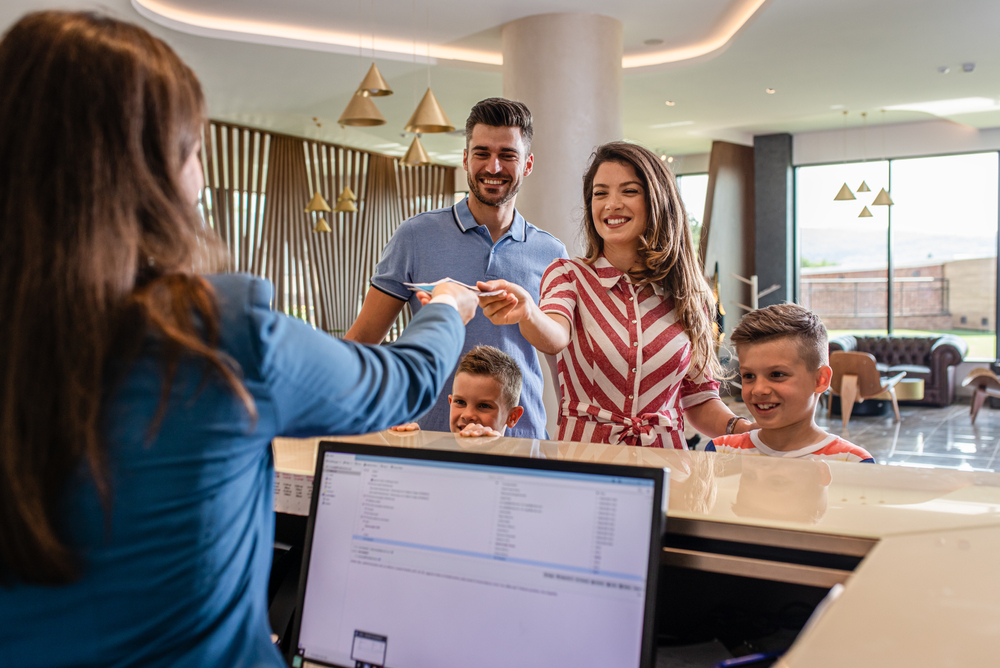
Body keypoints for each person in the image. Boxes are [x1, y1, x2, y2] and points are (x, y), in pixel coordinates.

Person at [0, 11, 477, 668]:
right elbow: (402, 381)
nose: (199, 178)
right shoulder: (216, 335)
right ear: (153, 170)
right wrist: (447, 306)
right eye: (195, 150)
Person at [478, 142, 753, 448]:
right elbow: (554, 336)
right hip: (585, 467)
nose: (612, 203)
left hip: (668, 470)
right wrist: (528, 312)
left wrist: (747, 430)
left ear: (657, 200)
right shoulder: (568, 275)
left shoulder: (691, 294)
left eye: (629, 191)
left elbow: (700, 400)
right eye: (600, 193)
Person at [345, 98, 567, 439]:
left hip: (522, 440)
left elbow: (561, 359)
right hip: (427, 436)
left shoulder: (551, 252)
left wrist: (569, 437)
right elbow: (362, 340)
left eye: (507, 155)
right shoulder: (416, 236)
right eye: (481, 153)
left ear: (528, 164)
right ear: (465, 158)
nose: (493, 167)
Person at [702, 304, 875, 462]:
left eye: (777, 374)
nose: (758, 390)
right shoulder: (721, 451)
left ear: (820, 380)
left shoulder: (852, 461)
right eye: (749, 376)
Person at [393, 345, 525, 437]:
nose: (467, 415)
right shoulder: (438, 461)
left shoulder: (519, 469)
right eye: (460, 402)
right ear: (450, 402)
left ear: (512, 417)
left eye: (484, 405)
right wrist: (408, 452)